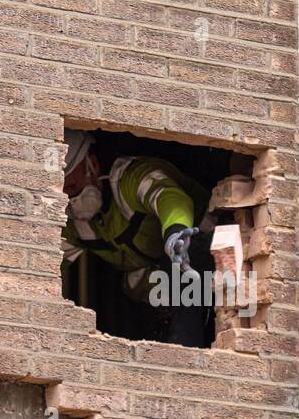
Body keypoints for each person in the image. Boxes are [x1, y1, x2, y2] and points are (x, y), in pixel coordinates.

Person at [61, 130, 210, 346]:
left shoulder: (129, 179)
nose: (70, 200)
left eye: (72, 187)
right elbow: (46, 265)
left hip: (204, 242)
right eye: (63, 191)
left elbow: (169, 197)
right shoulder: (72, 223)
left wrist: (177, 231)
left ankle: (187, 350)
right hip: (158, 275)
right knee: (135, 284)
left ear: (91, 164)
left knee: (178, 269)